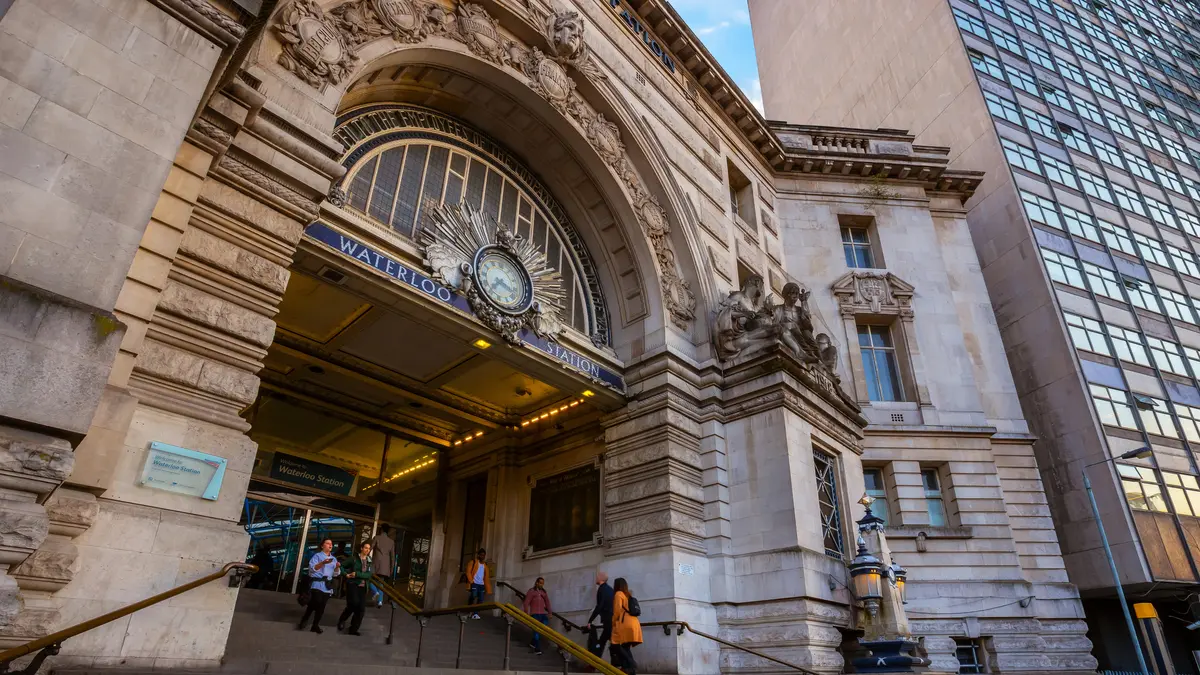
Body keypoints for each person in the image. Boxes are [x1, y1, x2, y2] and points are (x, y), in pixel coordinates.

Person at [298, 538, 340, 634]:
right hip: (317, 583)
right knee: (316, 601)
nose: (330, 545)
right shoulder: (317, 556)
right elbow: (312, 569)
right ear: (322, 545)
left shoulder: (333, 559)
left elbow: (335, 574)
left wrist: (337, 567)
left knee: (322, 605)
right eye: (328, 543)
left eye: (331, 543)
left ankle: (315, 625)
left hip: (327, 585)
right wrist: (323, 563)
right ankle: (305, 618)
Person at [337, 541, 373, 635]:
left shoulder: (369, 561)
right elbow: (341, 566)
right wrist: (346, 574)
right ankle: (342, 620)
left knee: (361, 609)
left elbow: (369, 575)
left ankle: (353, 629)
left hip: (363, 587)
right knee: (353, 603)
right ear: (361, 548)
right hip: (353, 584)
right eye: (365, 548)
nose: (367, 550)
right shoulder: (353, 559)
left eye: (369, 549)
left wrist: (357, 574)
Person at [610, 577, 642, 675]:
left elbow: (617, 611)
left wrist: (613, 623)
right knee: (625, 646)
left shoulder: (618, 594)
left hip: (625, 623)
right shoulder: (627, 595)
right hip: (634, 623)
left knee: (616, 645)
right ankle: (628, 668)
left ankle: (631, 665)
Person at [585, 571, 614, 659]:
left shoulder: (601, 589)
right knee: (604, 641)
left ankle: (627, 664)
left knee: (605, 642)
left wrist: (590, 620)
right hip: (611, 619)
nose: (596, 578)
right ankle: (595, 662)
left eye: (597, 577)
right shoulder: (610, 589)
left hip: (607, 619)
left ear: (601, 578)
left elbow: (599, 606)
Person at [522, 577, 552, 656]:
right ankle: (537, 649)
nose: (542, 585)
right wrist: (526, 612)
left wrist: (550, 612)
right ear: (537, 583)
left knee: (542, 627)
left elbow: (547, 602)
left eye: (543, 583)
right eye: (540, 583)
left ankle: (533, 642)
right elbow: (526, 602)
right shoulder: (532, 591)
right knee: (536, 631)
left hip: (542, 614)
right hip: (534, 614)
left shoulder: (543, 592)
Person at [369, 525, 395, 607]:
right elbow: (392, 557)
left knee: (369, 579)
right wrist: (391, 569)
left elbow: (370, 548)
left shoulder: (376, 538)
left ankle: (375, 592)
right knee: (381, 583)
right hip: (385, 567)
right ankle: (380, 601)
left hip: (375, 564)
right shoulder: (391, 542)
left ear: (381, 530)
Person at [463, 548, 490, 619]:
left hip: (481, 584)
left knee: (480, 599)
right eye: (481, 555)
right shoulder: (473, 562)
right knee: (473, 595)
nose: (482, 557)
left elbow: (486, 576)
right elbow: (468, 572)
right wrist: (471, 581)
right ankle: (469, 608)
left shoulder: (485, 565)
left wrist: (487, 586)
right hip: (474, 583)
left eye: (484, 555)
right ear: (478, 555)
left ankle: (475, 614)